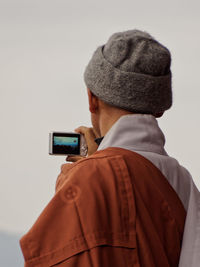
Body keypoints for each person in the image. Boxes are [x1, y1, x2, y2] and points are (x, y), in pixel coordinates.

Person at [20, 30, 200, 266]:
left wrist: (87, 172)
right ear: (159, 109)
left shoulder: (87, 177)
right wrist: (100, 164)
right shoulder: (184, 183)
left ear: (92, 99)